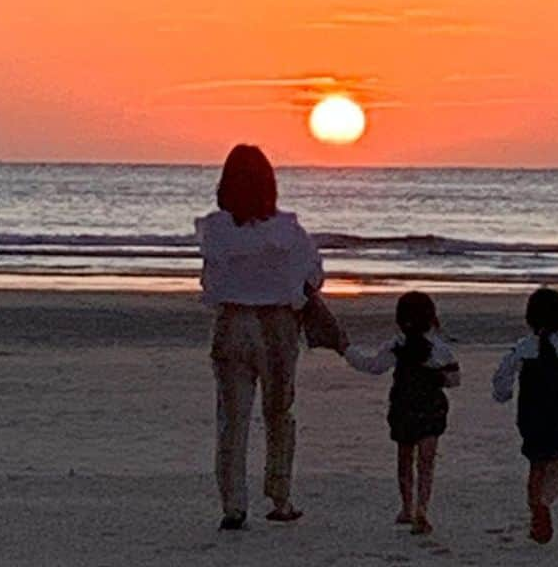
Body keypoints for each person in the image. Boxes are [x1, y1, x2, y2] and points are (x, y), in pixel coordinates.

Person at [196, 144, 323, 531]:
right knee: (279, 413)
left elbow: (210, 284)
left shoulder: (216, 230)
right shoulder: (287, 230)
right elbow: (312, 277)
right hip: (277, 324)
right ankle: (280, 496)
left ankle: (233, 505)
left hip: (233, 320)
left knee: (232, 420)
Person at [341, 291, 461, 535]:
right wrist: (435, 374)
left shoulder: (396, 346)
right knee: (426, 461)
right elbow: (454, 380)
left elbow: (372, 366)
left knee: (405, 459)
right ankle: (421, 509)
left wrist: (346, 349)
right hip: (431, 407)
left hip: (404, 406)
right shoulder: (439, 349)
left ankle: (407, 507)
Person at [491, 286, 558, 544]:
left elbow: (503, 375)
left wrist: (502, 394)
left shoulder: (523, 347)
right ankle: (545, 503)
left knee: (536, 465)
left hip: (531, 414)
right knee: (556, 463)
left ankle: (535, 512)